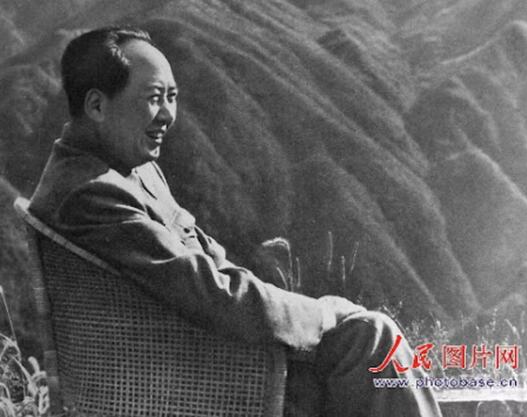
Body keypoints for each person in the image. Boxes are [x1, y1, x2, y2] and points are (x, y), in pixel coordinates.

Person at [29, 26, 442, 417]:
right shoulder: (92, 194)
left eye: (172, 96)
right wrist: (321, 314)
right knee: (372, 340)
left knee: (367, 338)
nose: (168, 114)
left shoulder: (124, 169)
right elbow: (215, 294)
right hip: (203, 381)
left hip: (197, 358)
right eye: (154, 97)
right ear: (97, 106)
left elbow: (207, 259)